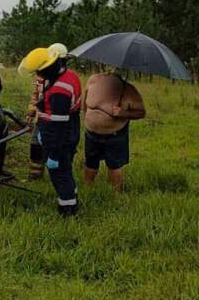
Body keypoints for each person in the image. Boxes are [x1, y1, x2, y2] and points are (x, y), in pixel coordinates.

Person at [21, 44, 82, 215]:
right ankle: (72, 197)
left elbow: (59, 125)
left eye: (39, 72)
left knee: (59, 173)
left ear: (47, 68)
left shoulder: (60, 91)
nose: (38, 75)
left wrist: (54, 153)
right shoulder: (69, 75)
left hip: (60, 136)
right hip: (67, 129)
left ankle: (67, 210)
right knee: (65, 171)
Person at [82, 71, 145, 191]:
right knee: (90, 162)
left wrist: (123, 113)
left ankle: (115, 194)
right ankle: (87, 189)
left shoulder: (128, 90)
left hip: (114, 136)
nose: (109, 73)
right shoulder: (93, 80)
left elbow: (141, 112)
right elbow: (85, 102)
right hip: (91, 133)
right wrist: (86, 117)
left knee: (114, 166)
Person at [21, 42, 67, 181]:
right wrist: (31, 111)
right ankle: (35, 175)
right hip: (41, 118)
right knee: (35, 145)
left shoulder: (64, 79)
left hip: (57, 120)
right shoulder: (40, 78)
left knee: (56, 148)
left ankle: (58, 176)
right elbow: (35, 96)